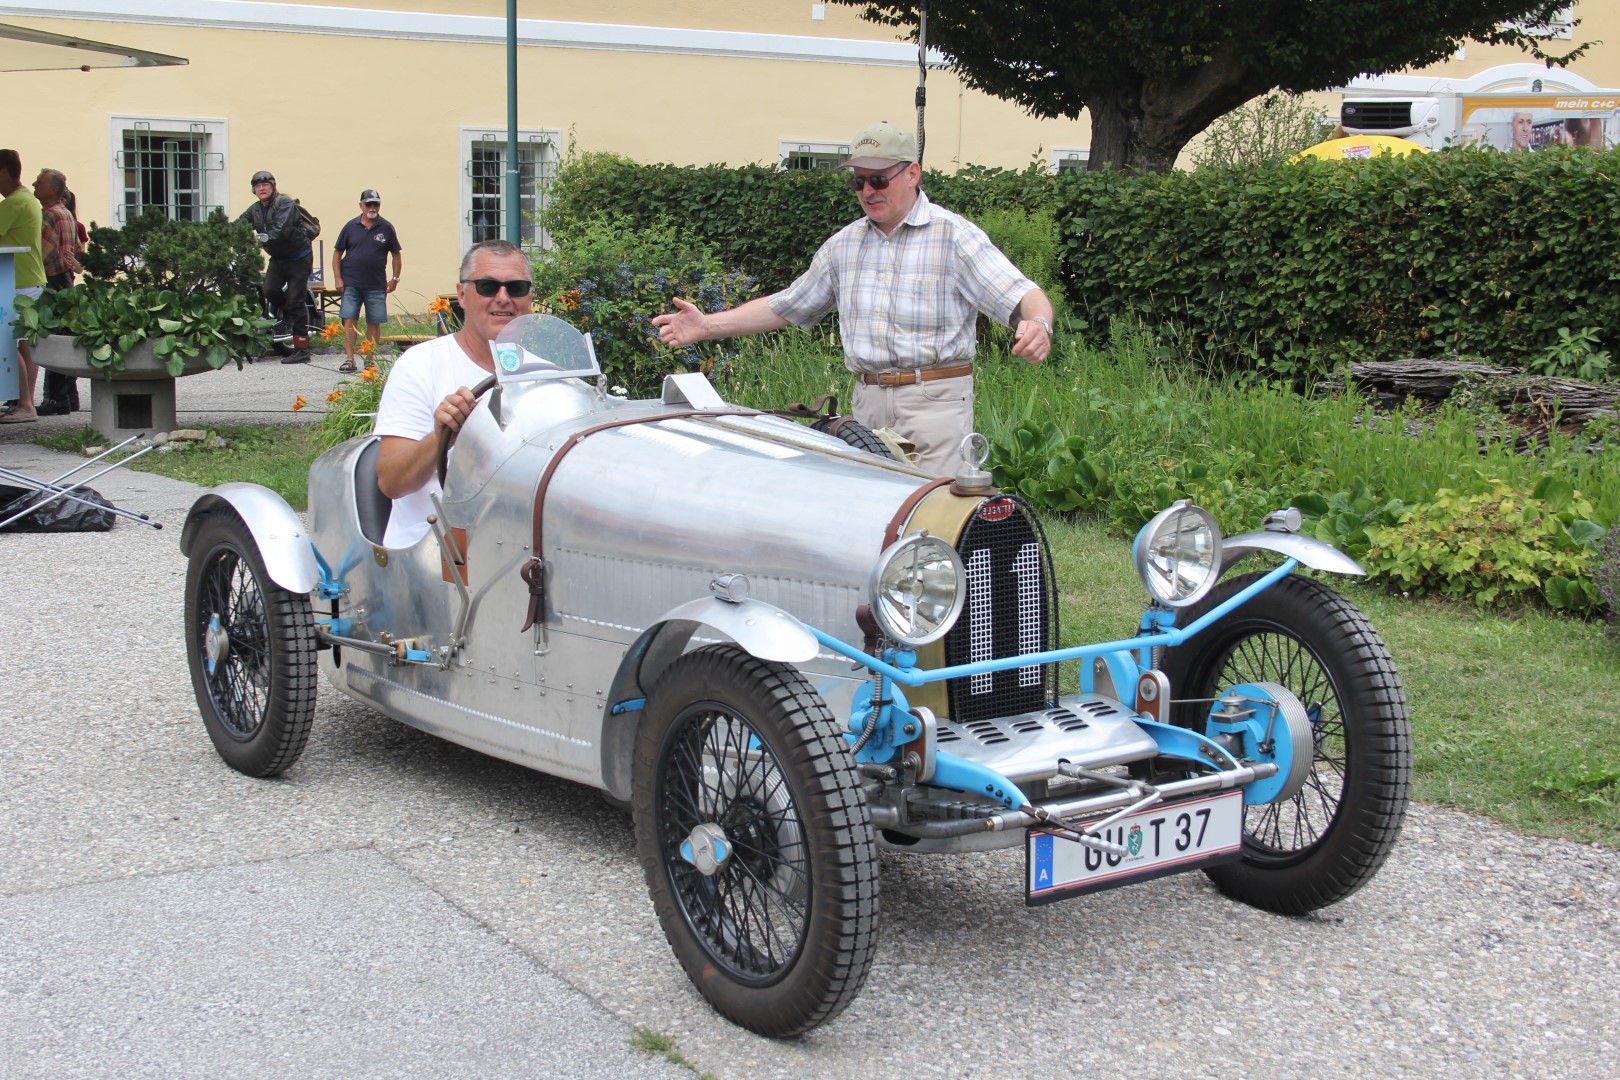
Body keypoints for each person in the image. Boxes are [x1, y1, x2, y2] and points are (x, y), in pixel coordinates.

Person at [652, 120, 1054, 475]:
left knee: (934, 522)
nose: (867, 190)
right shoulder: (843, 246)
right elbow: (788, 305)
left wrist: (1037, 325)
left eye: (879, 179)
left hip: (934, 405)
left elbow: (1023, 295)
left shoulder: (954, 237)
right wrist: (707, 326)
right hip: (867, 404)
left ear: (912, 173)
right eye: (858, 181)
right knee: (873, 521)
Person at [373, 239, 531, 548]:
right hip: (439, 546)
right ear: (462, 295)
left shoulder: (546, 371)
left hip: (521, 546)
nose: (503, 298)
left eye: (516, 288)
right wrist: (442, 435)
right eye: (487, 286)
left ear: (529, 297)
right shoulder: (420, 365)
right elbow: (391, 482)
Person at [236, 169, 314, 364]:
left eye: (265, 185)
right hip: (278, 257)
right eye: (257, 186)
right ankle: (287, 313)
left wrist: (259, 239)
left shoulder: (284, 204)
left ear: (273, 186)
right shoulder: (254, 209)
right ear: (254, 190)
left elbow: (280, 231)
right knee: (269, 290)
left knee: (297, 300)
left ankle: (302, 350)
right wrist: (221, 233)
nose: (262, 188)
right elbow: (239, 224)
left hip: (298, 257)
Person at [331, 188, 403, 373]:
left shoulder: (386, 227)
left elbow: (396, 255)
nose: (372, 207)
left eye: (376, 203)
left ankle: (369, 360)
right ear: (361, 205)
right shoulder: (350, 226)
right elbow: (337, 253)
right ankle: (349, 359)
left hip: (376, 284)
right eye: (369, 204)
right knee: (349, 320)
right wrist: (338, 278)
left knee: (374, 321)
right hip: (351, 283)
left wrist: (395, 278)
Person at [0, 148, 46, 424]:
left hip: (15, 282)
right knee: (25, 345)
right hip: (31, 279)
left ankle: (24, 404)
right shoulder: (27, 199)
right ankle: (26, 402)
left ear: (4, 172)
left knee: (6, 341)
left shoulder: (13, 204)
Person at [35, 168, 84, 416]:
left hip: (52, 278)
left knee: (53, 338)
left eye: (39, 182)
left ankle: (55, 398)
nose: (34, 184)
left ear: (53, 189)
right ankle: (68, 396)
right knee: (65, 336)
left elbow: (41, 253)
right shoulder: (66, 213)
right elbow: (75, 248)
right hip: (65, 278)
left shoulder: (49, 215)